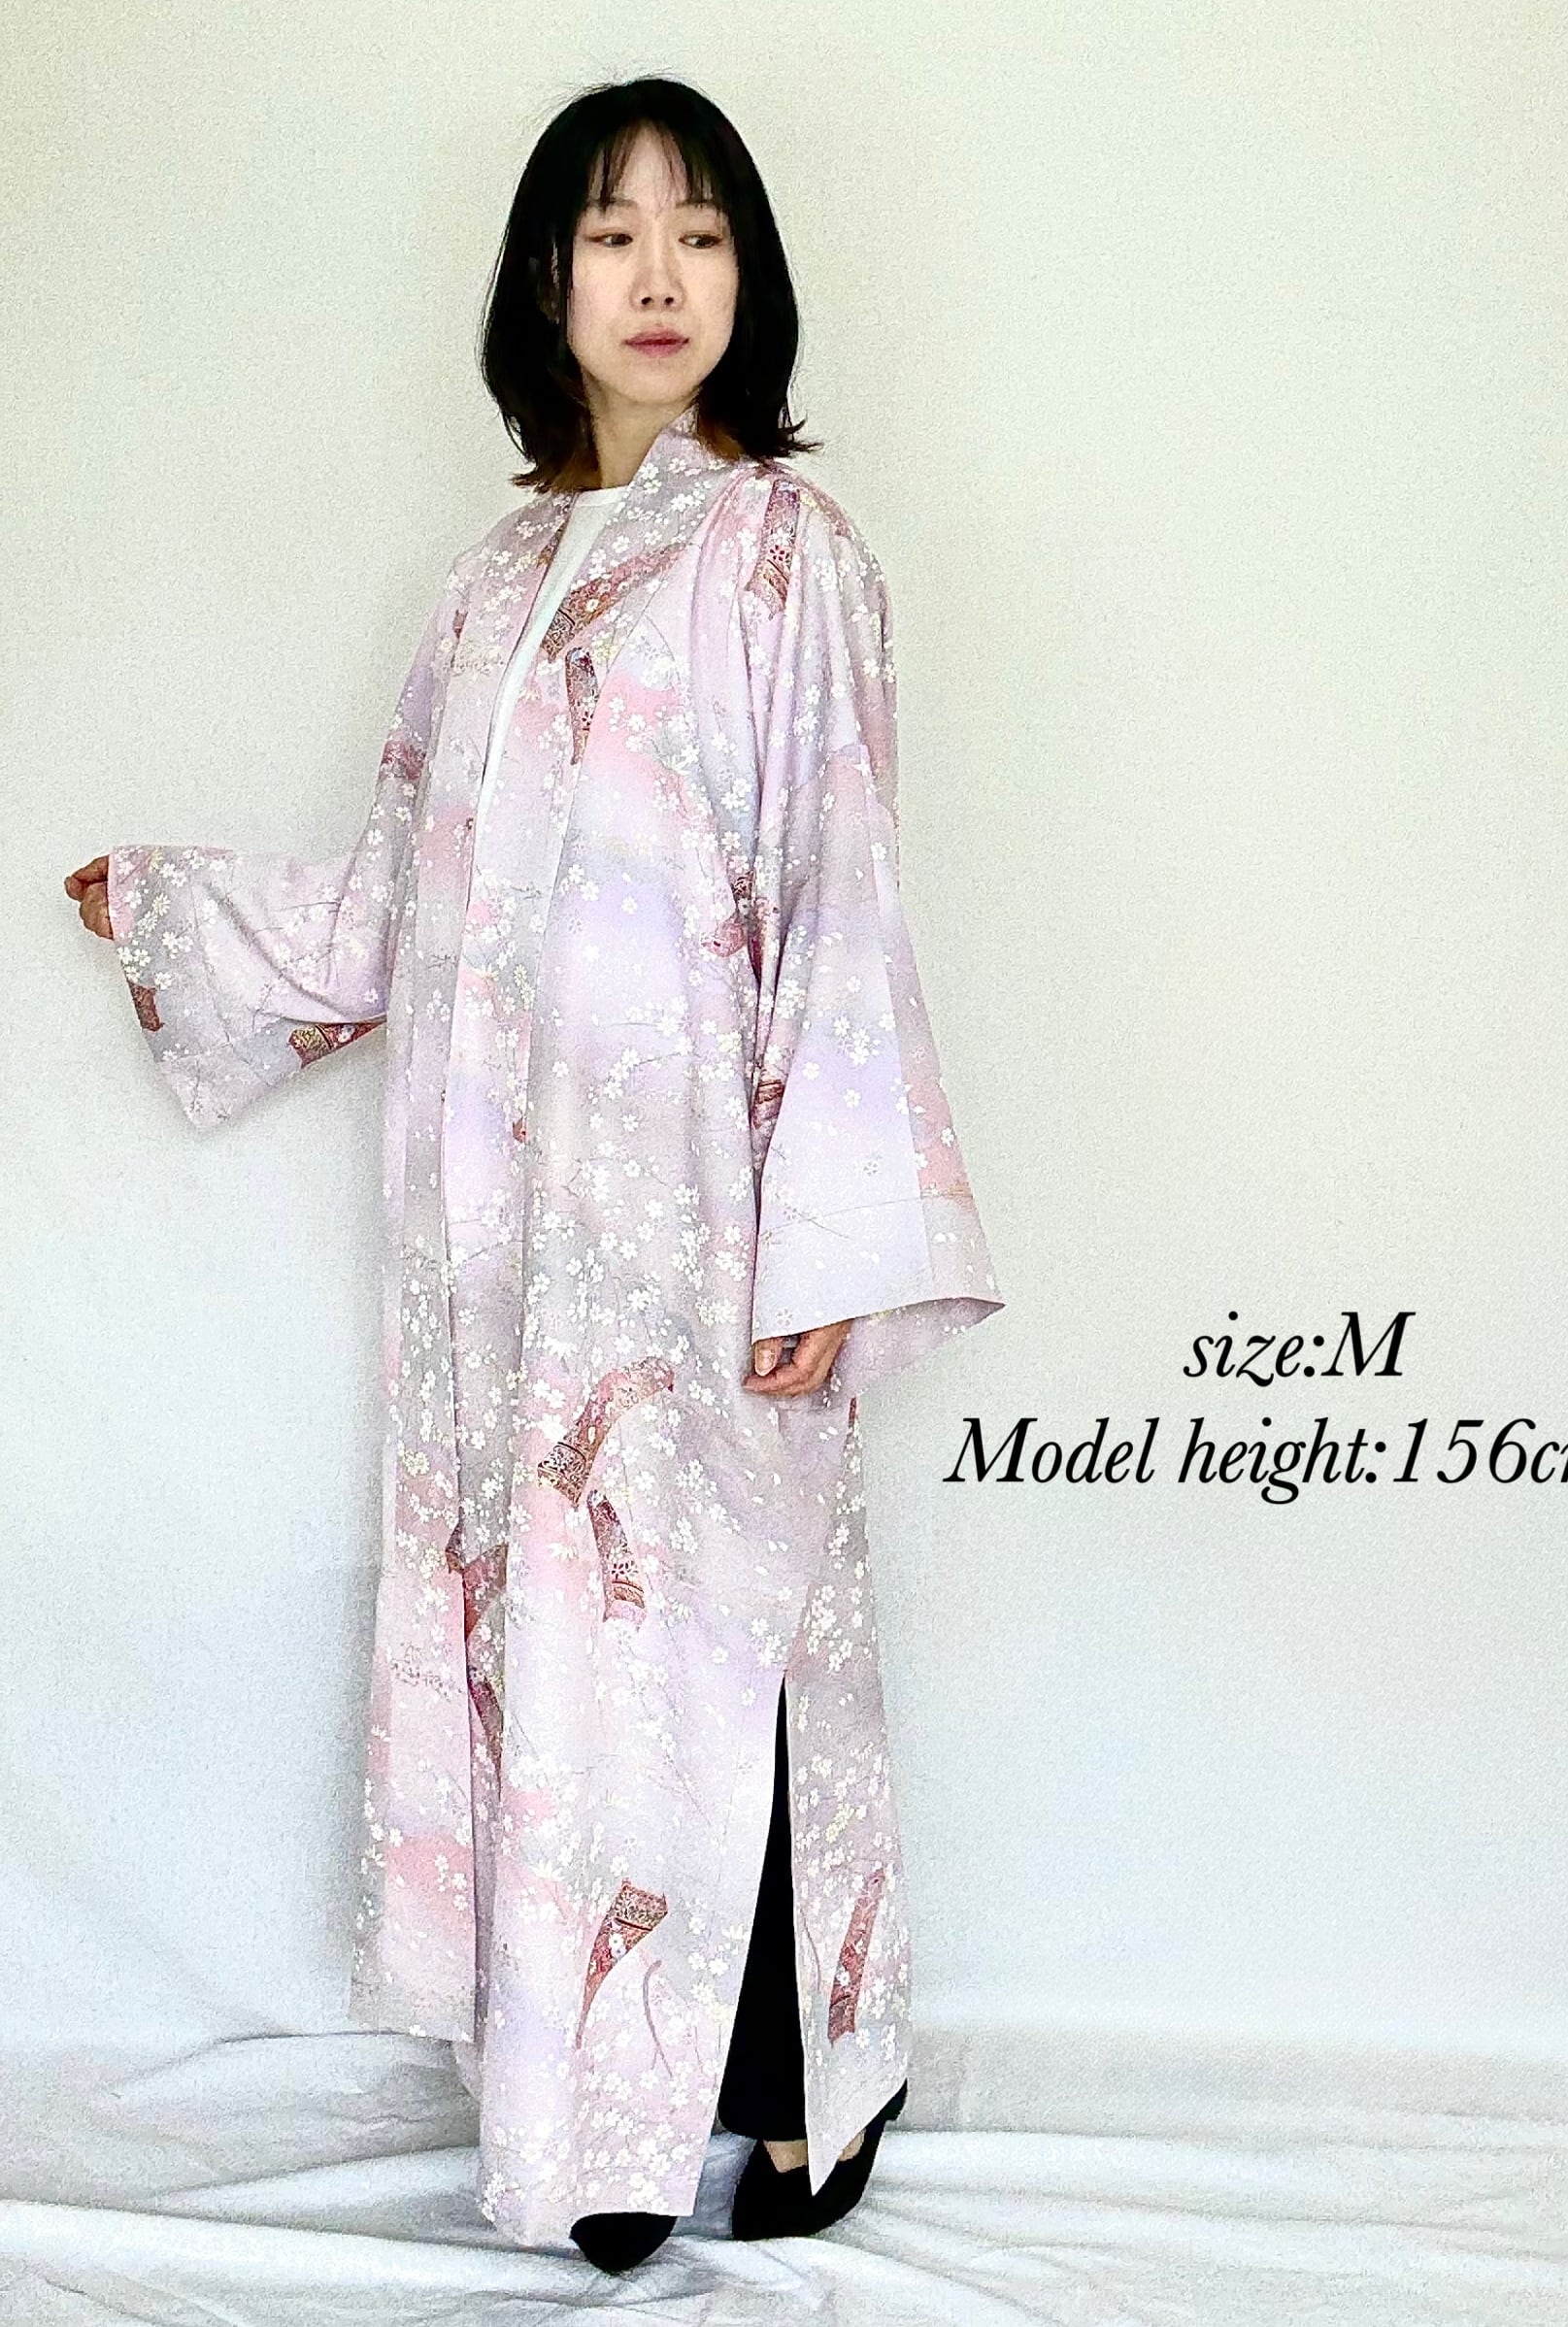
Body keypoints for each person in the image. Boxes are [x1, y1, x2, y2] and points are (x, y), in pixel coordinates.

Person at [65, 75, 1001, 2273]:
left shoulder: (786, 554)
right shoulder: (488, 587)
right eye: (609, 232)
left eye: (700, 232)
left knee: (738, 1638)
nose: (658, 273)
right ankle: (599, 2111)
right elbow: (405, 898)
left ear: (750, 277)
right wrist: (183, 916)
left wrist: (826, 1238)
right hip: (502, 1244)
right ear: (544, 282)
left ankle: (808, 2073)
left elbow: (841, 893)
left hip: (706, 1215)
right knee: (573, 1669)